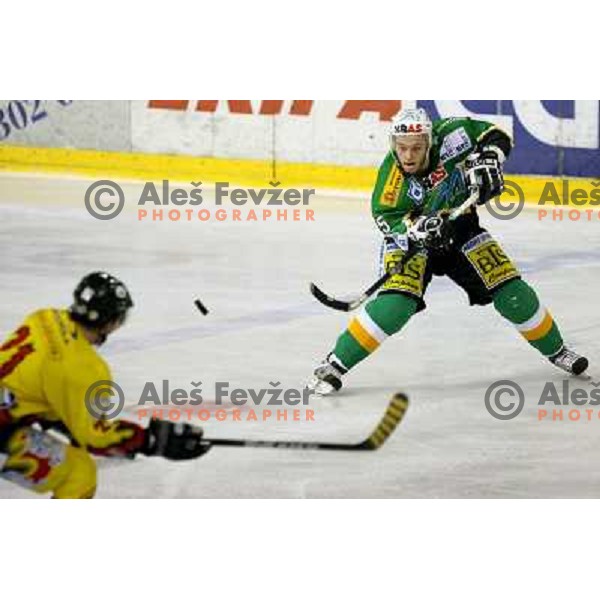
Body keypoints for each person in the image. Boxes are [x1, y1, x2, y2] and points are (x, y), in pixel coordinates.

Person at [308, 108, 589, 395]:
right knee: (395, 306)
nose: (407, 156)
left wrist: (491, 157)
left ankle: (558, 351)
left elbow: (496, 134)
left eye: (416, 147)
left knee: (511, 292)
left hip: (461, 228)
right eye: (402, 148)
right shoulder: (390, 180)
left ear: (429, 142)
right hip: (413, 241)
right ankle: (334, 365)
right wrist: (415, 227)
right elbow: (385, 217)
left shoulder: (452, 135)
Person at [0, 272, 211, 498]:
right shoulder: (85, 369)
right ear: (111, 322)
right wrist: (151, 440)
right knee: (80, 475)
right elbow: (94, 437)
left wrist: (60, 416)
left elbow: (32, 380)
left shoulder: (44, 317)